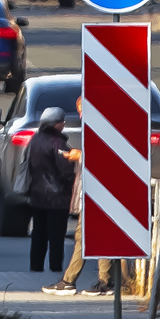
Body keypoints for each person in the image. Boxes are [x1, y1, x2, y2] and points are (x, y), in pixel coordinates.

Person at [45, 97, 118, 296]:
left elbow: (106, 158)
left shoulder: (100, 128)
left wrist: (80, 156)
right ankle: (105, 282)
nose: (80, 115)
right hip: (99, 191)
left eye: (81, 110)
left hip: (96, 192)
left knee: (83, 236)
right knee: (100, 236)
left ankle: (69, 281)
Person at [27, 106, 80, 272]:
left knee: (38, 235)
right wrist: (71, 181)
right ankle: (55, 268)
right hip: (57, 199)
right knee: (56, 237)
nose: (63, 125)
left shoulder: (35, 140)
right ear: (57, 124)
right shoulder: (58, 144)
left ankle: (36, 267)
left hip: (37, 195)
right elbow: (65, 170)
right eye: (62, 122)